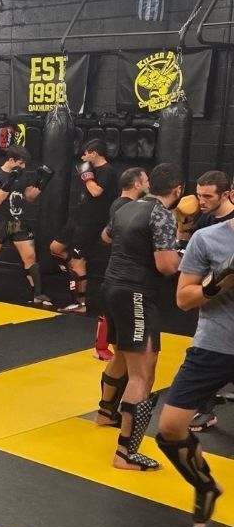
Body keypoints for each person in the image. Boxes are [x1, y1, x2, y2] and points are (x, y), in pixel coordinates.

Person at [92, 163, 182, 471]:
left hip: (111, 287)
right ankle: (126, 453)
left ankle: (105, 413)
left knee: (123, 355)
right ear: (178, 190)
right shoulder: (163, 214)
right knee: (144, 372)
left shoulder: (125, 208)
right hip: (136, 294)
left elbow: (106, 237)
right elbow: (168, 266)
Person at [155, 198, 233, 527]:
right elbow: (184, 299)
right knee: (171, 428)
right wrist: (222, 277)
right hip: (213, 345)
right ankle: (205, 486)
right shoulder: (207, 238)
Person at [172, 171, 234, 431]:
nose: (201, 201)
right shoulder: (205, 224)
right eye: (199, 195)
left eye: (208, 196)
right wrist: (182, 226)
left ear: (226, 195)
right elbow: (184, 259)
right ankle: (205, 409)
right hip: (214, 316)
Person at [0, 147, 54, 306]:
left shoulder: (23, 175)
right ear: (11, 160)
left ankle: (39, 294)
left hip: (17, 222)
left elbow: (30, 197)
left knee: (30, 257)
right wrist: (10, 179)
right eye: (20, 163)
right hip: (0, 222)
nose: (23, 167)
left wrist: (42, 181)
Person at [50, 138, 119, 314]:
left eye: (86, 153)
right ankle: (74, 273)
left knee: (78, 261)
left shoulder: (107, 171)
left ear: (94, 153)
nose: (83, 157)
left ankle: (81, 303)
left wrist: (86, 175)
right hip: (78, 218)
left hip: (91, 221)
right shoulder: (94, 170)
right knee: (55, 248)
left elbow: (96, 192)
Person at [94, 167, 150, 361]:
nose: (148, 184)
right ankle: (100, 347)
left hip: (121, 262)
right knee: (111, 309)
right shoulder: (123, 206)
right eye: (146, 181)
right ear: (137, 184)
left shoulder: (126, 203)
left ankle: (108, 346)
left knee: (115, 309)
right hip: (120, 263)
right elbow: (113, 235)